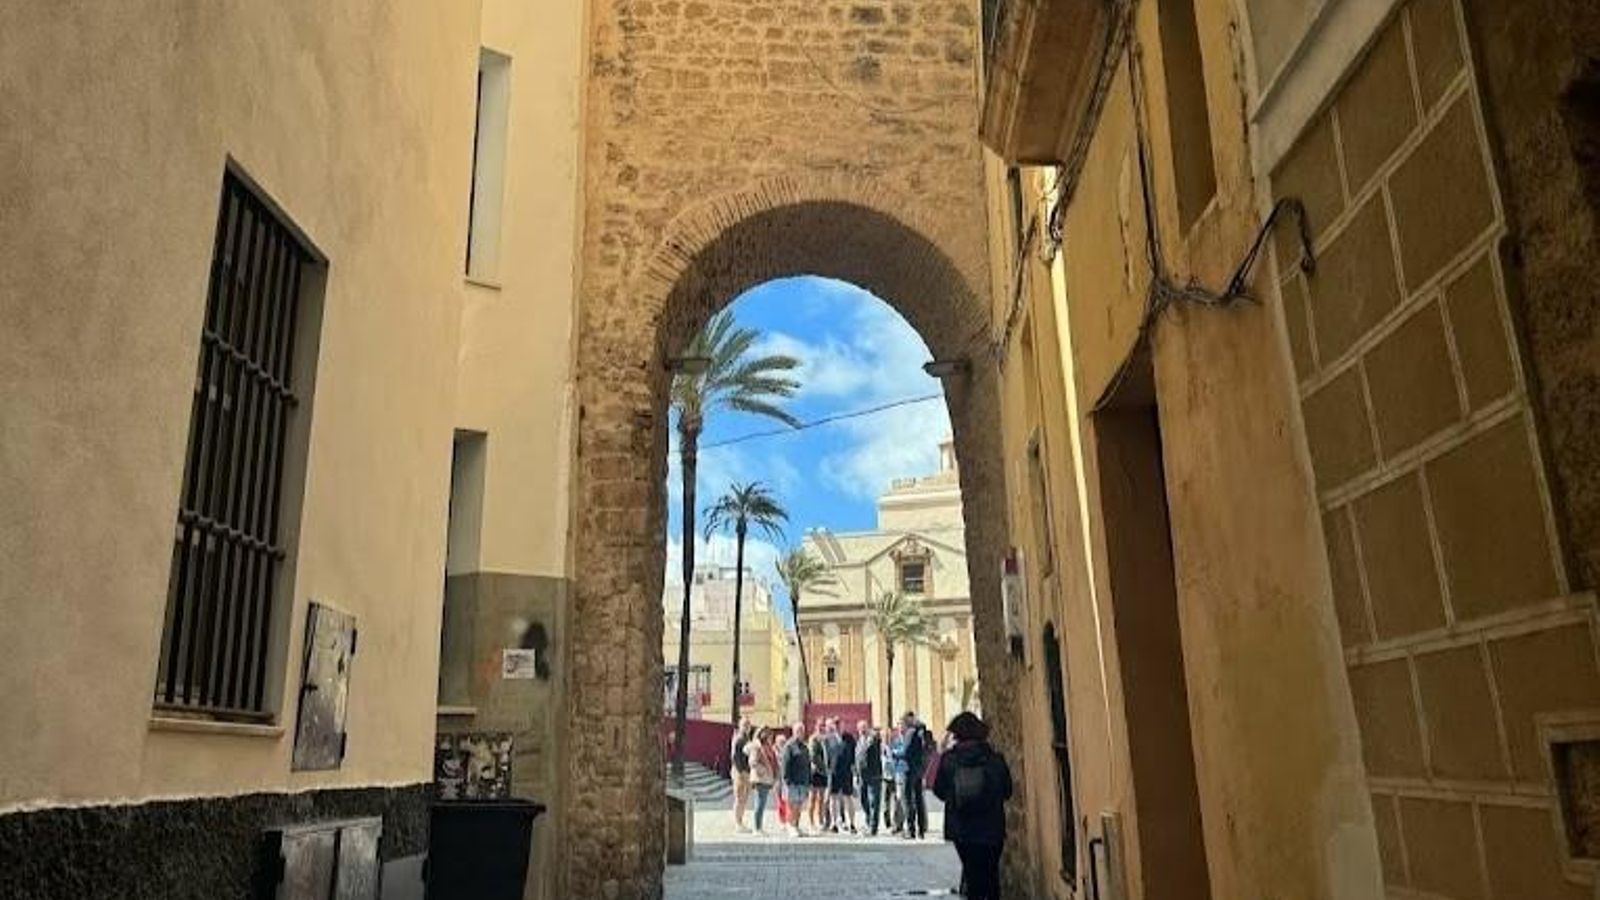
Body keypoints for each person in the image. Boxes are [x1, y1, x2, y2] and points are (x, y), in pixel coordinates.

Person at [933, 712, 1013, 900]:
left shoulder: (949, 760)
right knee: (991, 875)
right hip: (992, 828)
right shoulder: (995, 760)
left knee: (972, 874)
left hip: (962, 829)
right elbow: (1008, 791)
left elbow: (939, 791)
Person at [900, 711, 932, 839]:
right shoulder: (922, 731)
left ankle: (911, 829)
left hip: (909, 769)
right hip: (919, 769)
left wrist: (896, 754)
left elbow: (906, 751)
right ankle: (921, 830)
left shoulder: (910, 732)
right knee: (919, 799)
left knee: (907, 799)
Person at [780, 722, 812, 837]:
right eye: (798, 730)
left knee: (799, 806)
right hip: (792, 782)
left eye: (802, 730)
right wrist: (786, 780)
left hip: (802, 781)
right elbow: (785, 764)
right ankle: (790, 826)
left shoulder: (804, 747)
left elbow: (808, 764)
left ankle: (797, 826)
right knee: (791, 805)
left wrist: (809, 780)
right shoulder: (789, 746)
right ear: (794, 732)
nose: (801, 733)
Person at [746, 727, 779, 835]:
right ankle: (757, 828)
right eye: (768, 735)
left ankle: (759, 827)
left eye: (770, 734)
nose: (770, 737)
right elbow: (752, 762)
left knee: (762, 803)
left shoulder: (769, 747)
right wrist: (763, 770)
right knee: (759, 803)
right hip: (760, 779)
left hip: (767, 779)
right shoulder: (757, 747)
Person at [856, 721, 883, 835]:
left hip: (874, 775)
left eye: (864, 728)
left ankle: (873, 827)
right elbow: (857, 758)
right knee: (863, 800)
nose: (862, 730)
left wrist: (874, 734)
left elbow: (877, 740)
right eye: (860, 728)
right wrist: (856, 774)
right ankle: (869, 819)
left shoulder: (873, 739)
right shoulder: (859, 741)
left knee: (874, 801)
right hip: (862, 776)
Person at [831, 727, 858, 833]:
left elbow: (853, 754)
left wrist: (853, 769)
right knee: (833, 798)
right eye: (835, 724)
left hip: (846, 772)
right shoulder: (829, 738)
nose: (837, 727)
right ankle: (834, 823)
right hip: (834, 772)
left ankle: (852, 824)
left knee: (848, 797)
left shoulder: (849, 738)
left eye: (839, 724)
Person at [731, 718, 755, 832]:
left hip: (747, 772)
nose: (747, 727)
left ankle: (740, 821)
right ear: (740, 726)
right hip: (740, 772)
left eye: (748, 725)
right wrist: (741, 772)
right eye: (744, 725)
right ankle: (737, 823)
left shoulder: (747, 738)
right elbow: (735, 757)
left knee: (744, 798)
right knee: (739, 797)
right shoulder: (739, 739)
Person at [807, 722, 830, 832]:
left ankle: (820, 820)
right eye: (820, 726)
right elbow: (813, 755)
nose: (822, 728)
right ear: (816, 727)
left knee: (821, 798)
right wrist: (823, 767)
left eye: (823, 726)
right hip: (816, 772)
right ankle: (811, 822)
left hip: (824, 773)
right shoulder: (813, 739)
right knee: (813, 797)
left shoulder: (825, 739)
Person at [886, 725, 908, 833]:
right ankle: (898, 823)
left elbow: (904, 751)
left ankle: (903, 823)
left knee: (903, 798)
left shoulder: (907, 739)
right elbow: (890, 753)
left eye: (902, 727)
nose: (900, 730)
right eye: (899, 728)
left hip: (906, 771)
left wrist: (895, 752)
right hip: (897, 771)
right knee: (898, 798)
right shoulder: (896, 740)